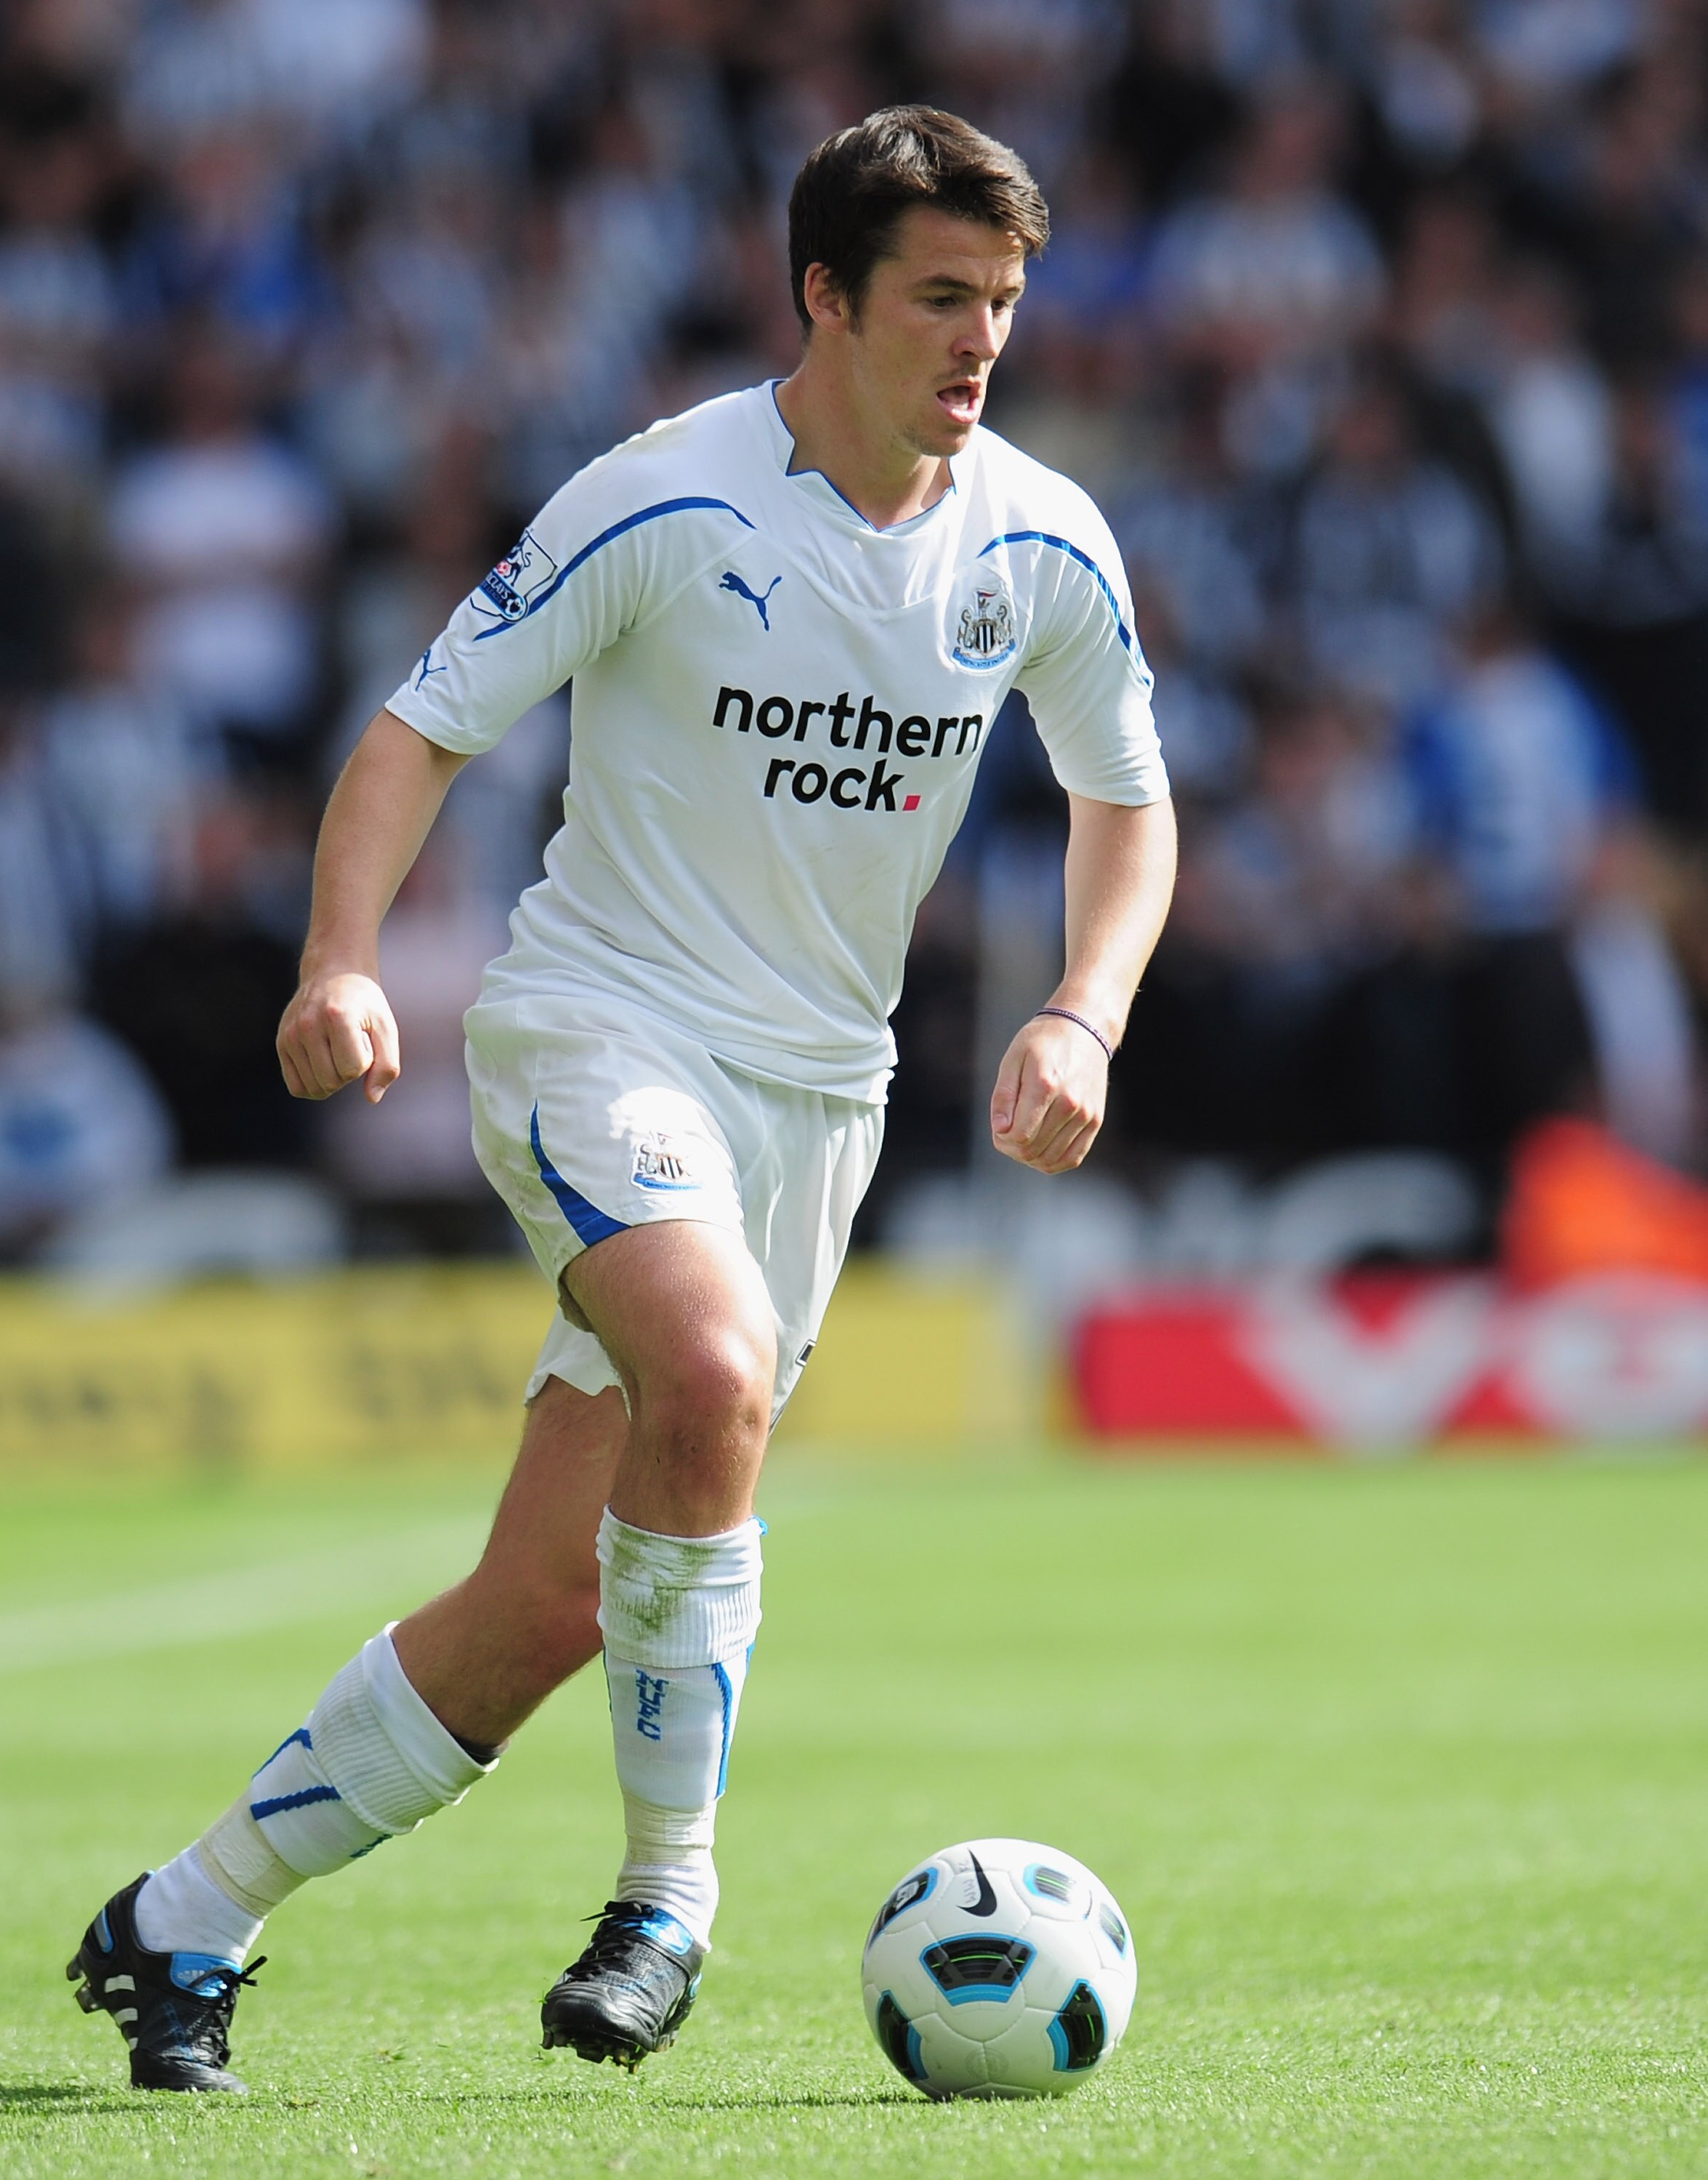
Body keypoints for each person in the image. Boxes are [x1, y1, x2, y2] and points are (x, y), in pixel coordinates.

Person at [67, 107, 1177, 2093]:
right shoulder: (664, 498)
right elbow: (419, 732)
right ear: (824, 299)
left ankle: (183, 1918)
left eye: (1002, 302)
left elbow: (1128, 804)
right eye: (938, 297)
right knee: (716, 1372)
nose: (978, 340)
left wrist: (1085, 1009)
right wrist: (335, 956)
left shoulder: (1041, 541)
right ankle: (674, 1894)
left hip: (821, 1101)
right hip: (603, 1028)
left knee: (551, 1602)